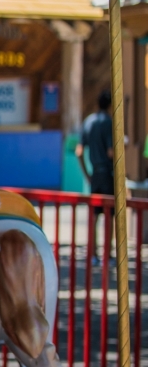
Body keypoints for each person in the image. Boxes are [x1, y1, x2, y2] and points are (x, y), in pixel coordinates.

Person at [75, 90, 115, 265]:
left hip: (95, 175)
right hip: (107, 173)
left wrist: (87, 174)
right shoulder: (108, 123)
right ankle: (108, 255)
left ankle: (93, 254)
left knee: (94, 216)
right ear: (111, 106)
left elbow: (79, 151)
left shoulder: (88, 122)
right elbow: (111, 152)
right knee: (110, 215)